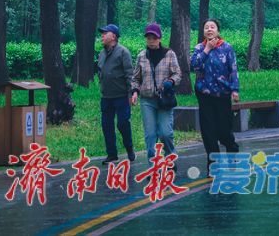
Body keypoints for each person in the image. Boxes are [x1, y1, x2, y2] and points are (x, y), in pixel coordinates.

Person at [190, 18, 240, 171]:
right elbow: (194, 66)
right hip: (204, 94)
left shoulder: (227, 48)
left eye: (212, 27)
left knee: (223, 131)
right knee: (208, 131)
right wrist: (207, 50)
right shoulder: (199, 48)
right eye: (206, 27)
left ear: (218, 31)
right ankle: (214, 164)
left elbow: (233, 69)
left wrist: (235, 90)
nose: (209, 30)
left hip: (223, 95)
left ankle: (232, 149)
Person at [131, 22, 181, 159]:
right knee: (150, 135)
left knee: (165, 133)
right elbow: (135, 78)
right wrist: (134, 92)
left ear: (159, 38)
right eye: (148, 37)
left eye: (154, 37)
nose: (151, 40)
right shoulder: (142, 56)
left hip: (164, 99)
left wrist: (170, 82)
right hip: (147, 100)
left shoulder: (169, 54)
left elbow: (177, 74)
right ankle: (153, 165)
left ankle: (170, 156)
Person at [97, 23, 136, 163]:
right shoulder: (101, 53)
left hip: (121, 96)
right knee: (106, 126)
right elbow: (100, 72)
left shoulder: (123, 52)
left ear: (113, 36)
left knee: (122, 123)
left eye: (105, 33)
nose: (102, 35)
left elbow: (129, 74)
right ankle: (112, 154)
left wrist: (132, 93)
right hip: (106, 97)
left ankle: (129, 148)